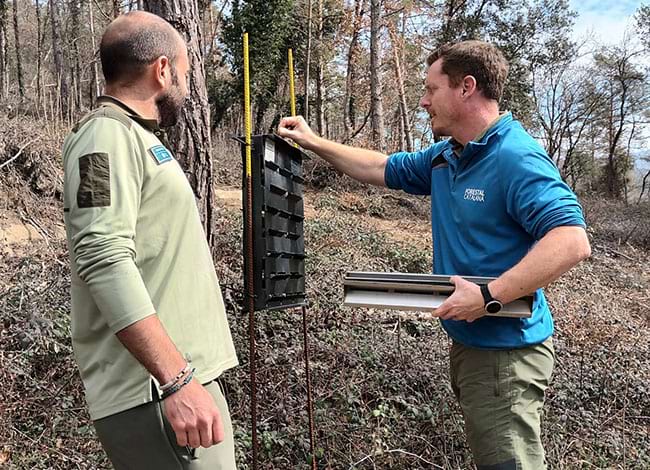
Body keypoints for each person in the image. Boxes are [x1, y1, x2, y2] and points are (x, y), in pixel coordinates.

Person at [278, 40, 591, 469]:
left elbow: (571, 240)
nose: (423, 101)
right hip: (471, 345)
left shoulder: (514, 157)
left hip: (506, 355)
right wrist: (314, 143)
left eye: (431, 89)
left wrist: (488, 296)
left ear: (466, 88)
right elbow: (378, 167)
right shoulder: (448, 156)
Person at [62, 11, 238, 470]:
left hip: (173, 388)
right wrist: (177, 381)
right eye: (184, 73)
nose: (187, 86)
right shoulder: (104, 138)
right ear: (162, 70)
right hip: (157, 394)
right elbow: (102, 257)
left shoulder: (135, 139)